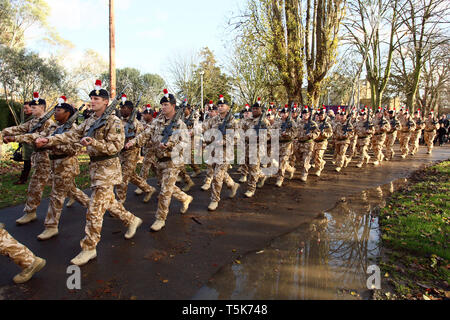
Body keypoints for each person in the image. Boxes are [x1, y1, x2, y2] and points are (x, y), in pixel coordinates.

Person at [35, 80, 143, 266]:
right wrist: (49, 140)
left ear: (106, 102)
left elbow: (115, 147)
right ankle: (132, 219)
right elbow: (71, 135)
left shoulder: (114, 122)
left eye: (96, 99)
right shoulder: (90, 121)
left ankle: (89, 247)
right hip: (95, 170)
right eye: (91, 98)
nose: (92, 102)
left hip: (107, 171)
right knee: (108, 202)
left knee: (94, 210)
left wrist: (94, 143)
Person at [8, 99, 90, 240]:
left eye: (59, 111)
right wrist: (15, 138)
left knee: (56, 196)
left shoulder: (74, 130)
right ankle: (93, 206)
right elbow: (37, 135)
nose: (55, 113)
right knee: (70, 191)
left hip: (66, 165)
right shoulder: (54, 127)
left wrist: (51, 145)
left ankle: (51, 226)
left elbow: (73, 149)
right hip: (54, 165)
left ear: (68, 113)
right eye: (55, 110)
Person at [125, 89, 193, 232]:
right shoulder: (157, 121)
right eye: (162, 105)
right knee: (165, 186)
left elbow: (185, 144)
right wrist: (134, 142)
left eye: (166, 105)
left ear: (173, 106)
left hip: (173, 161)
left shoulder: (180, 124)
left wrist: (171, 145)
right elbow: (146, 134)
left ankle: (160, 218)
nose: (163, 107)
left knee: (164, 191)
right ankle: (185, 198)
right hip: (159, 160)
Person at [2, 92, 52, 225]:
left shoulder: (48, 123)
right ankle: (30, 212)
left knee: (38, 186)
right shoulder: (34, 121)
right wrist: (5, 132)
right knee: (61, 187)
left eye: (34, 107)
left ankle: (31, 212)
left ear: (42, 107)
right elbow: (20, 128)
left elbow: (35, 136)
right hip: (38, 158)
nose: (31, 109)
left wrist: (15, 138)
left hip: (46, 159)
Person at [201, 95, 240, 211]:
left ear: (228, 107)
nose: (220, 107)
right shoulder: (214, 119)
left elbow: (237, 137)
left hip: (225, 153)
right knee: (219, 173)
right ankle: (233, 185)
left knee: (217, 176)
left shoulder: (232, 121)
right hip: (213, 152)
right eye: (219, 105)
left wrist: (224, 141)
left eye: (222, 105)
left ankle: (214, 200)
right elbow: (204, 127)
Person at [115, 95, 156, 204]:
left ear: (131, 110)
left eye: (125, 108)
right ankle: (149, 189)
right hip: (121, 153)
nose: (122, 110)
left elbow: (140, 140)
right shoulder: (119, 122)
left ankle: (120, 201)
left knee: (123, 177)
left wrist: (131, 142)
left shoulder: (136, 124)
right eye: (121, 108)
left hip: (132, 154)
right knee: (132, 176)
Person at [240, 98, 272, 197]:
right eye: (253, 109)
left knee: (253, 169)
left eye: (257, 109)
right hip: (246, 147)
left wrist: (259, 137)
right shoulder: (247, 120)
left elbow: (269, 134)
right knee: (249, 168)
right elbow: (240, 130)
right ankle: (265, 174)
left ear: (260, 110)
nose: (254, 110)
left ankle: (251, 189)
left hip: (257, 148)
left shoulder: (264, 121)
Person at [292, 106, 320, 182]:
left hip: (308, 144)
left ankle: (304, 174)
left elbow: (317, 133)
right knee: (299, 160)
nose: (305, 115)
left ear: (309, 114)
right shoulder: (298, 122)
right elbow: (294, 131)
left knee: (305, 160)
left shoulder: (313, 123)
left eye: (306, 114)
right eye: (304, 114)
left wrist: (311, 135)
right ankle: (306, 166)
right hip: (299, 144)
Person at [273, 105, 297, 187]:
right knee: (279, 162)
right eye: (282, 113)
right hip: (277, 145)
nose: (283, 115)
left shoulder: (292, 123)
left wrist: (286, 134)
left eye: (285, 113)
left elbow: (295, 133)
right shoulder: (277, 122)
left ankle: (280, 179)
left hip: (287, 145)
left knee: (282, 162)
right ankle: (291, 169)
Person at [14, 102, 33, 185]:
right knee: (27, 162)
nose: (25, 110)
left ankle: (23, 179)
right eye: (24, 108)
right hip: (25, 143)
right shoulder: (25, 118)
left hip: (31, 145)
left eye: (26, 108)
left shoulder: (34, 119)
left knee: (28, 162)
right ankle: (23, 178)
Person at [312, 107, 333, 176]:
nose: (320, 116)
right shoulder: (315, 123)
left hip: (322, 142)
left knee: (318, 156)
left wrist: (324, 133)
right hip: (315, 142)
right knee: (314, 156)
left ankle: (318, 169)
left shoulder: (327, 124)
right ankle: (322, 162)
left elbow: (330, 133)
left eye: (322, 115)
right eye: (319, 115)